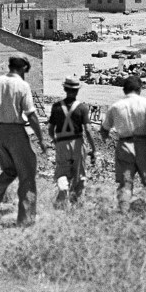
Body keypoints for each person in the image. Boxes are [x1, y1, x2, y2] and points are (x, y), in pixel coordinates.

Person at [0, 54, 48, 226]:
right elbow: (31, 114)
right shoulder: (22, 85)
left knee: (10, 170)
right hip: (15, 131)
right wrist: (41, 139)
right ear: (23, 68)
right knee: (27, 175)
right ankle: (26, 220)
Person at [100, 75, 146, 214]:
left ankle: (123, 213)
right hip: (143, 145)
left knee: (126, 183)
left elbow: (104, 130)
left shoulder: (115, 106)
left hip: (124, 144)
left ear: (124, 90)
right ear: (139, 89)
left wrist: (109, 140)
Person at [48, 76, 96, 208]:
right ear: (77, 91)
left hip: (61, 143)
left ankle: (63, 188)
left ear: (64, 89)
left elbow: (51, 129)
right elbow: (88, 130)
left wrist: (55, 141)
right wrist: (93, 148)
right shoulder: (82, 108)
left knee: (62, 172)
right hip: (77, 143)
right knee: (79, 174)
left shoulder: (56, 107)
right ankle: (76, 205)